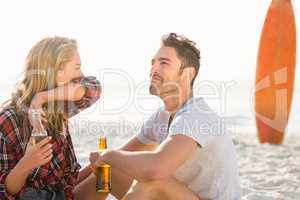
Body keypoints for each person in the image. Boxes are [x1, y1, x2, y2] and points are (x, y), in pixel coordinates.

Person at [87, 33, 241, 200]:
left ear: (188, 74)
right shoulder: (162, 116)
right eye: (153, 63)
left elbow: (156, 168)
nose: (153, 69)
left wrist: (108, 155)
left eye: (164, 63)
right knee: (107, 170)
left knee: (154, 183)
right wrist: (73, 180)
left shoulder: (196, 115)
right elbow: (118, 156)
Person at [0, 37, 101, 199]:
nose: (81, 74)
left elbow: (93, 88)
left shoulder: (60, 107)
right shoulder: (8, 121)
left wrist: (41, 98)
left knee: (109, 173)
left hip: (65, 195)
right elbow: (5, 192)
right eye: (77, 68)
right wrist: (27, 163)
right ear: (56, 72)